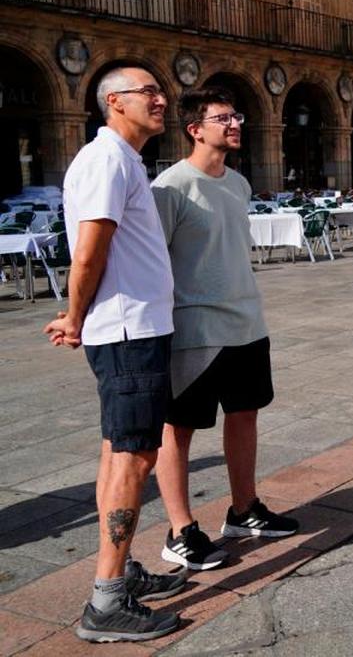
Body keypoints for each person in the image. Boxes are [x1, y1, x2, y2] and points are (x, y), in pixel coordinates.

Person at [43, 66, 184, 643]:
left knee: (116, 451)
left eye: (159, 90)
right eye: (147, 91)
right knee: (134, 457)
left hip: (135, 328)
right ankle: (105, 603)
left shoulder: (123, 160)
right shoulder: (106, 160)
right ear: (113, 102)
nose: (161, 98)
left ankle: (121, 572)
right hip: (126, 331)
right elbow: (89, 249)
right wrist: (74, 316)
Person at [151, 88, 298, 573]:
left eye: (235, 115)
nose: (235, 123)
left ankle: (243, 509)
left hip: (247, 323)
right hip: (195, 327)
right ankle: (181, 530)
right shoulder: (170, 188)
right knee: (180, 430)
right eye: (223, 118)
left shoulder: (237, 184)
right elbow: (156, 263)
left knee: (245, 415)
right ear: (195, 129)